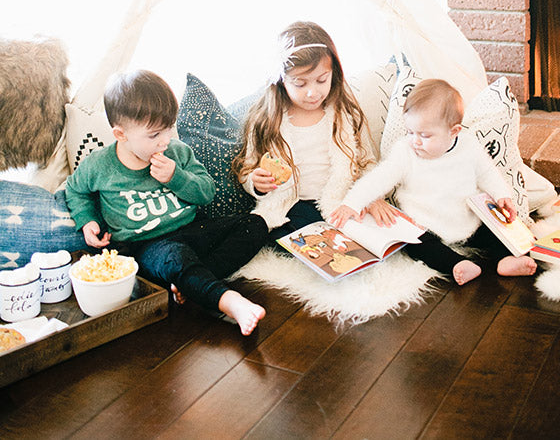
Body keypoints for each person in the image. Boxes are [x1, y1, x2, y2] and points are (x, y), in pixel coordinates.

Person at [65, 69, 267, 335]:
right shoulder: (101, 165)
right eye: (153, 135)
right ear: (121, 134)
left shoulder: (177, 152)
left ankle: (192, 282)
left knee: (255, 225)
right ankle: (229, 301)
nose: (165, 141)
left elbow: (206, 192)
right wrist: (87, 221)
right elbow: (75, 190)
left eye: (168, 129)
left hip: (193, 230)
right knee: (176, 257)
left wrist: (176, 177)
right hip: (147, 245)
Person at [330, 78, 537, 285]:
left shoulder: (469, 145)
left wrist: (503, 195)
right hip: (424, 223)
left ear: (453, 131)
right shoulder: (406, 152)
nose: (415, 141)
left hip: (468, 220)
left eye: (425, 135)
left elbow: (487, 173)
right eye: (411, 132)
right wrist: (352, 203)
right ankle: (455, 264)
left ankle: (507, 259)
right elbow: (378, 179)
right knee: (413, 243)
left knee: (496, 230)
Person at [232, 21, 394, 237]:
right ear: (281, 81)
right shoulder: (265, 120)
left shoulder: (346, 114)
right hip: (290, 207)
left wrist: (371, 196)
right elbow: (247, 167)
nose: (312, 92)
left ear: (333, 74)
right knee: (272, 235)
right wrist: (255, 182)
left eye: (321, 80)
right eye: (300, 84)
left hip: (341, 202)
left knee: (374, 235)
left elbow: (366, 162)